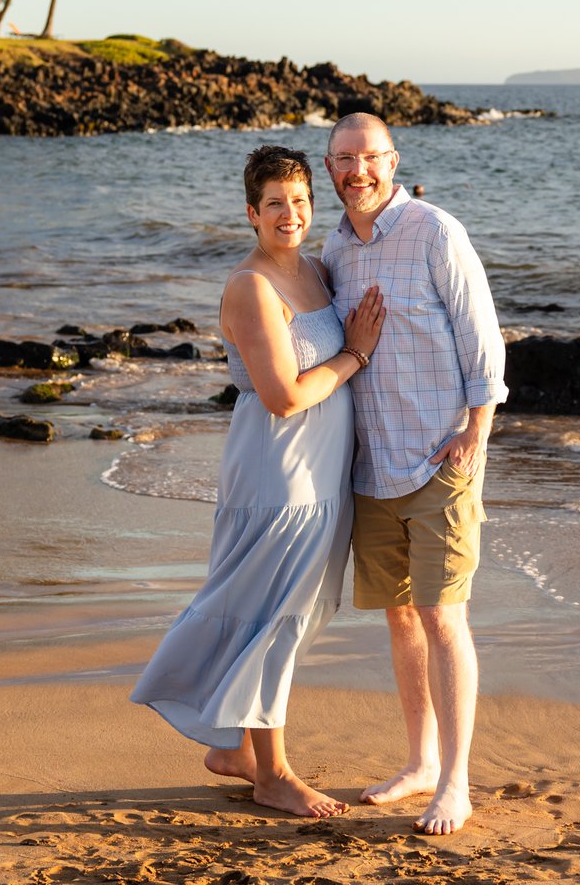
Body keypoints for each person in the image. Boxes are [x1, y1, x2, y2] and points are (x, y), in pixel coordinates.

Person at [130, 145, 385, 818]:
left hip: (322, 468)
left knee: (289, 611)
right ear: (251, 212)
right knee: (274, 613)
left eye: (301, 201)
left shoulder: (318, 271)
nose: (291, 214)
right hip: (279, 471)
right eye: (276, 203)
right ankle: (272, 774)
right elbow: (282, 395)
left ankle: (236, 750)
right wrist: (358, 352)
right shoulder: (251, 288)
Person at [321, 113, 506, 835]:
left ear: (393, 162)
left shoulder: (434, 230)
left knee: (441, 614)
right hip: (372, 464)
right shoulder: (333, 247)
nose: (357, 170)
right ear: (329, 165)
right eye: (344, 158)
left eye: (370, 157)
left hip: (441, 455)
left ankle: (455, 781)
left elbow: (480, 333)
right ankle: (420, 762)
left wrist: (476, 431)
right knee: (400, 616)